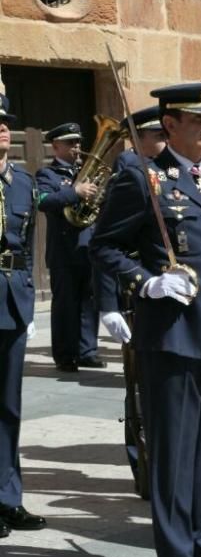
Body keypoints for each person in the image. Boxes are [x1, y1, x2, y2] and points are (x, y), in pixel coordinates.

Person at [90, 82, 201, 557]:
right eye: (197, 119)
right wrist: (148, 282)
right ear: (170, 126)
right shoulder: (144, 180)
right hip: (176, 336)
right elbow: (104, 247)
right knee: (174, 452)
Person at [95, 106, 168, 498]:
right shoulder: (129, 176)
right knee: (139, 389)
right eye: (157, 133)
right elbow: (104, 244)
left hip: (169, 296)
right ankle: (142, 463)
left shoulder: (176, 175)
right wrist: (107, 304)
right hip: (134, 295)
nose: (163, 139)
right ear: (139, 137)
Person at [0, 92, 47, 537]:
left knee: (9, 408)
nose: (2, 127)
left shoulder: (21, 182)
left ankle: (8, 498)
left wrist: (28, 299)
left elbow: (27, 241)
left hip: (12, 301)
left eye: (5, 122)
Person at [35, 122, 102, 372]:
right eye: (71, 143)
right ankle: (65, 355)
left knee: (89, 302)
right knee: (65, 304)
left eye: (78, 142)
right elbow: (44, 202)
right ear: (55, 146)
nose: (77, 147)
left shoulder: (86, 172)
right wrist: (75, 192)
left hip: (87, 247)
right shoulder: (47, 175)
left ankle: (87, 351)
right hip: (63, 250)